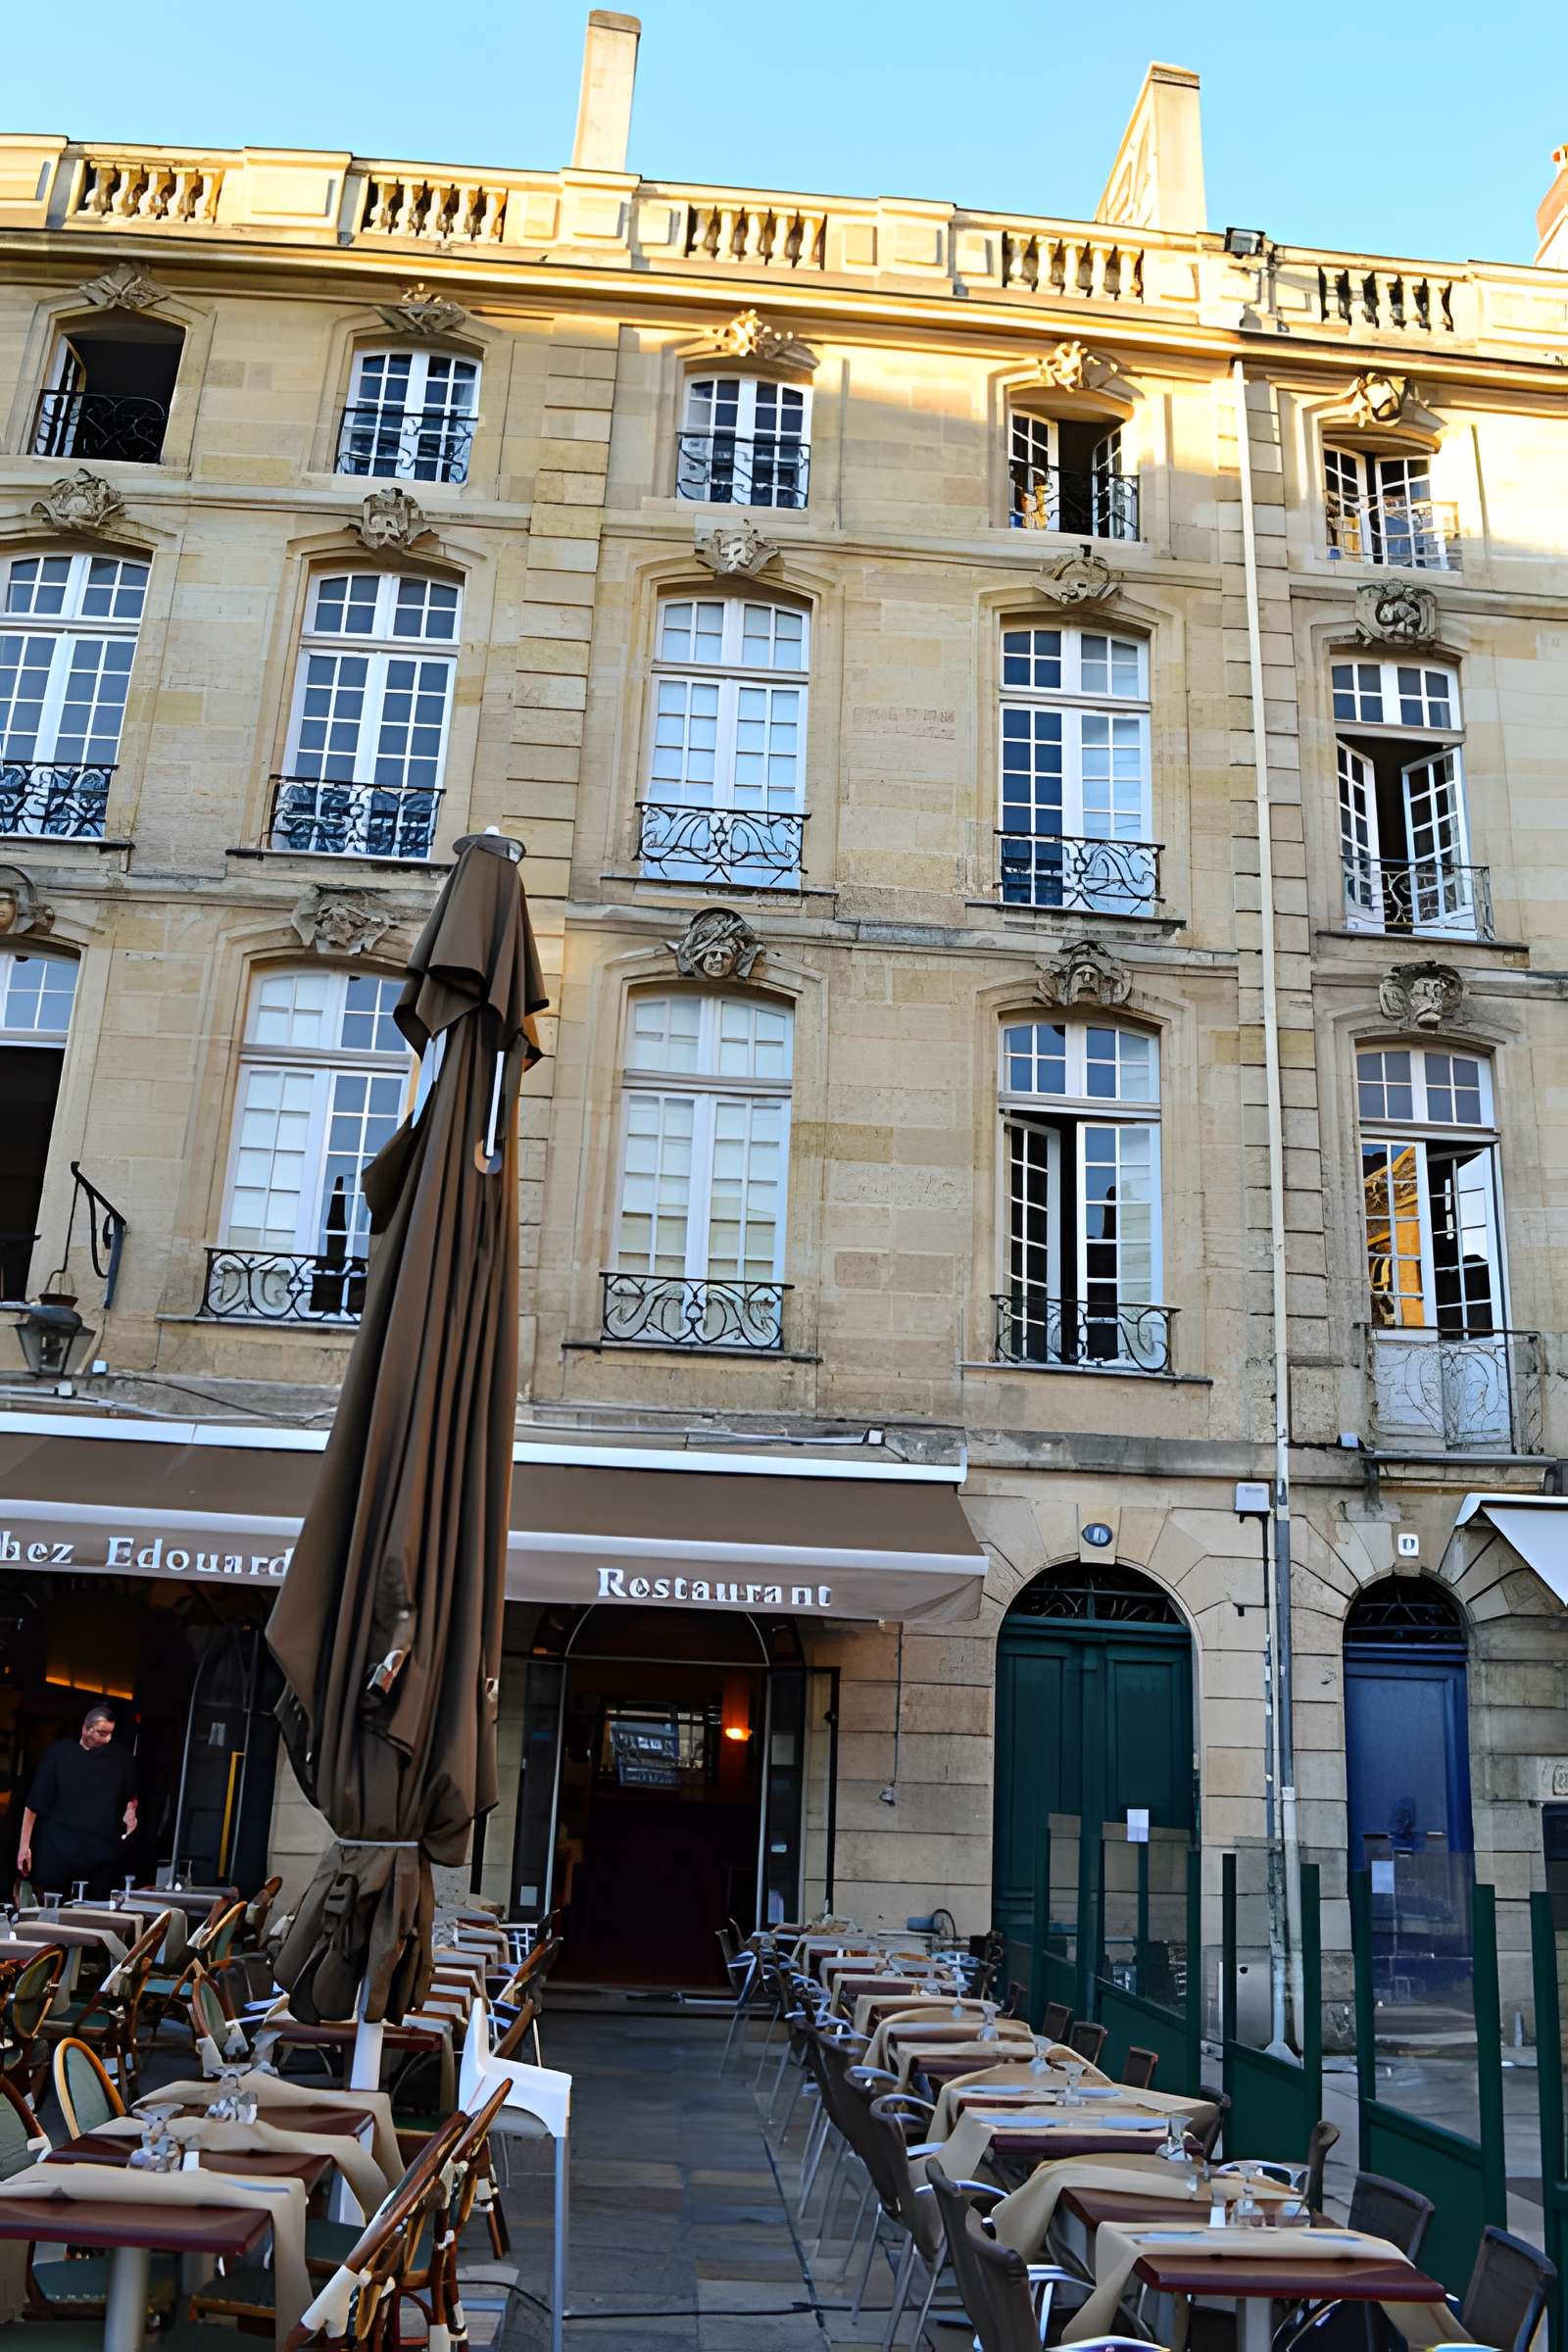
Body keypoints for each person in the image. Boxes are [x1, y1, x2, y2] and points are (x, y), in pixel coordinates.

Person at [17, 1702, 138, 1900]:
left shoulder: (121, 1759)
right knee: (52, 1916)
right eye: (101, 1733)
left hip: (101, 1858)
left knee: (93, 1917)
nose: (106, 1739)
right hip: (58, 1855)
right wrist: (24, 1848)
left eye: (110, 1734)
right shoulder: (58, 1754)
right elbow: (33, 1805)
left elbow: (131, 1797)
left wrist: (131, 1810)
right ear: (85, 1728)